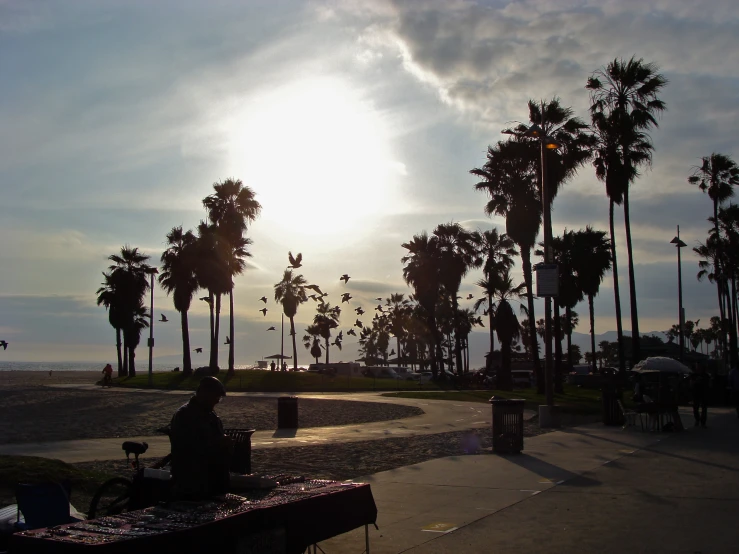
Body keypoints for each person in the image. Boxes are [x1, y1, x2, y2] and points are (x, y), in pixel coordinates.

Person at [169, 376, 232, 499]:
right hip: (193, 479)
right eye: (215, 397)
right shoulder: (185, 414)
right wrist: (218, 442)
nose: (216, 401)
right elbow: (189, 447)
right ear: (203, 394)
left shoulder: (210, 413)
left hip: (213, 477)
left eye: (218, 398)